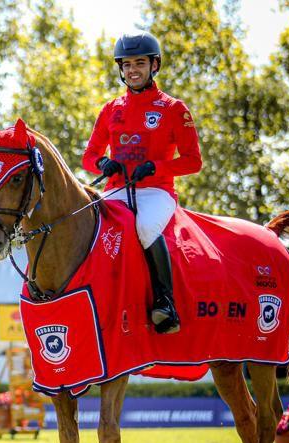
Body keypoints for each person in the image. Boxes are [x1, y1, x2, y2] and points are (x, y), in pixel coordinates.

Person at [82, 31, 202, 334]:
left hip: (156, 192)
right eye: (127, 65)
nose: (132, 70)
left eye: (139, 63)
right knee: (89, 232)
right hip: (116, 191)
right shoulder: (111, 109)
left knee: (145, 226)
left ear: (154, 66)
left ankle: (166, 302)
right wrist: (103, 163)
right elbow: (89, 156)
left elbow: (193, 161)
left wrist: (156, 167)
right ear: (120, 69)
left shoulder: (174, 108)